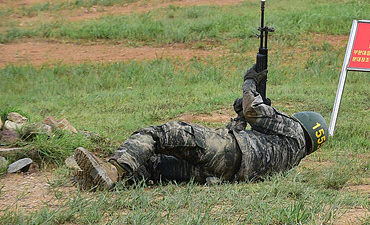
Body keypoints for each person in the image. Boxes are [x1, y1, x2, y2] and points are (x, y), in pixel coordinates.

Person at [71, 66, 328, 190]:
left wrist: (250, 82)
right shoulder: (293, 157)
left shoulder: (293, 128)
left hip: (227, 151)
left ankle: (113, 170)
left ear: (302, 121)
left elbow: (254, 110)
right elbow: (248, 136)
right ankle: (103, 183)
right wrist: (240, 115)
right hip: (226, 172)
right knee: (156, 165)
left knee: (157, 135)